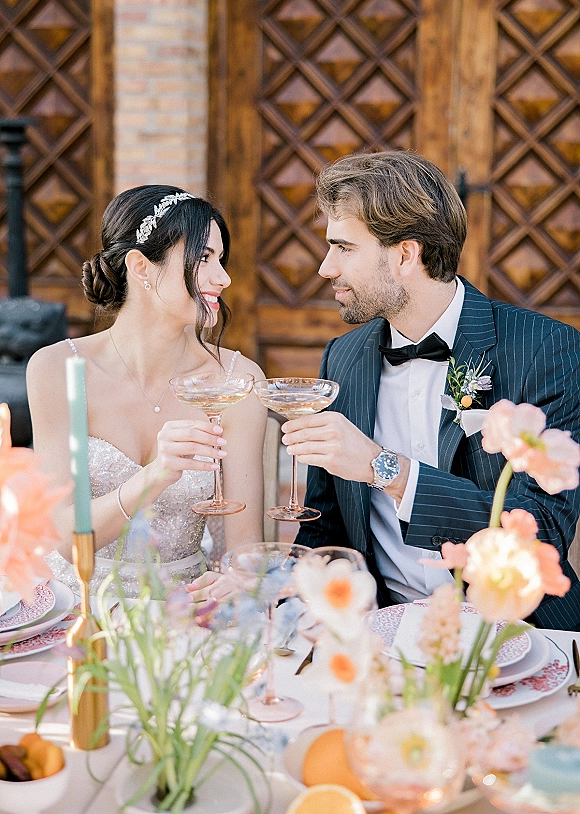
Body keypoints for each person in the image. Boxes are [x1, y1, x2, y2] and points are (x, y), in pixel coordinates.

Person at [284, 151, 580, 630]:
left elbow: (541, 530)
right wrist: (296, 592)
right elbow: (327, 528)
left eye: (344, 248)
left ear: (406, 253)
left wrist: (388, 470)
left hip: (516, 630)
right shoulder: (343, 357)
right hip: (379, 631)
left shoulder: (547, 351)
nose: (325, 268)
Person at [27, 186, 266, 597]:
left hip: (182, 614)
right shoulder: (56, 369)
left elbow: (245, 550)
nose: (224, 278)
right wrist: (155, 477)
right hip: (74, 608)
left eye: (221, 259)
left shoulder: (239, 381)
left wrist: (237, 582)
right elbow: (61, 538)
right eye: (204, 258)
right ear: (141, 267)